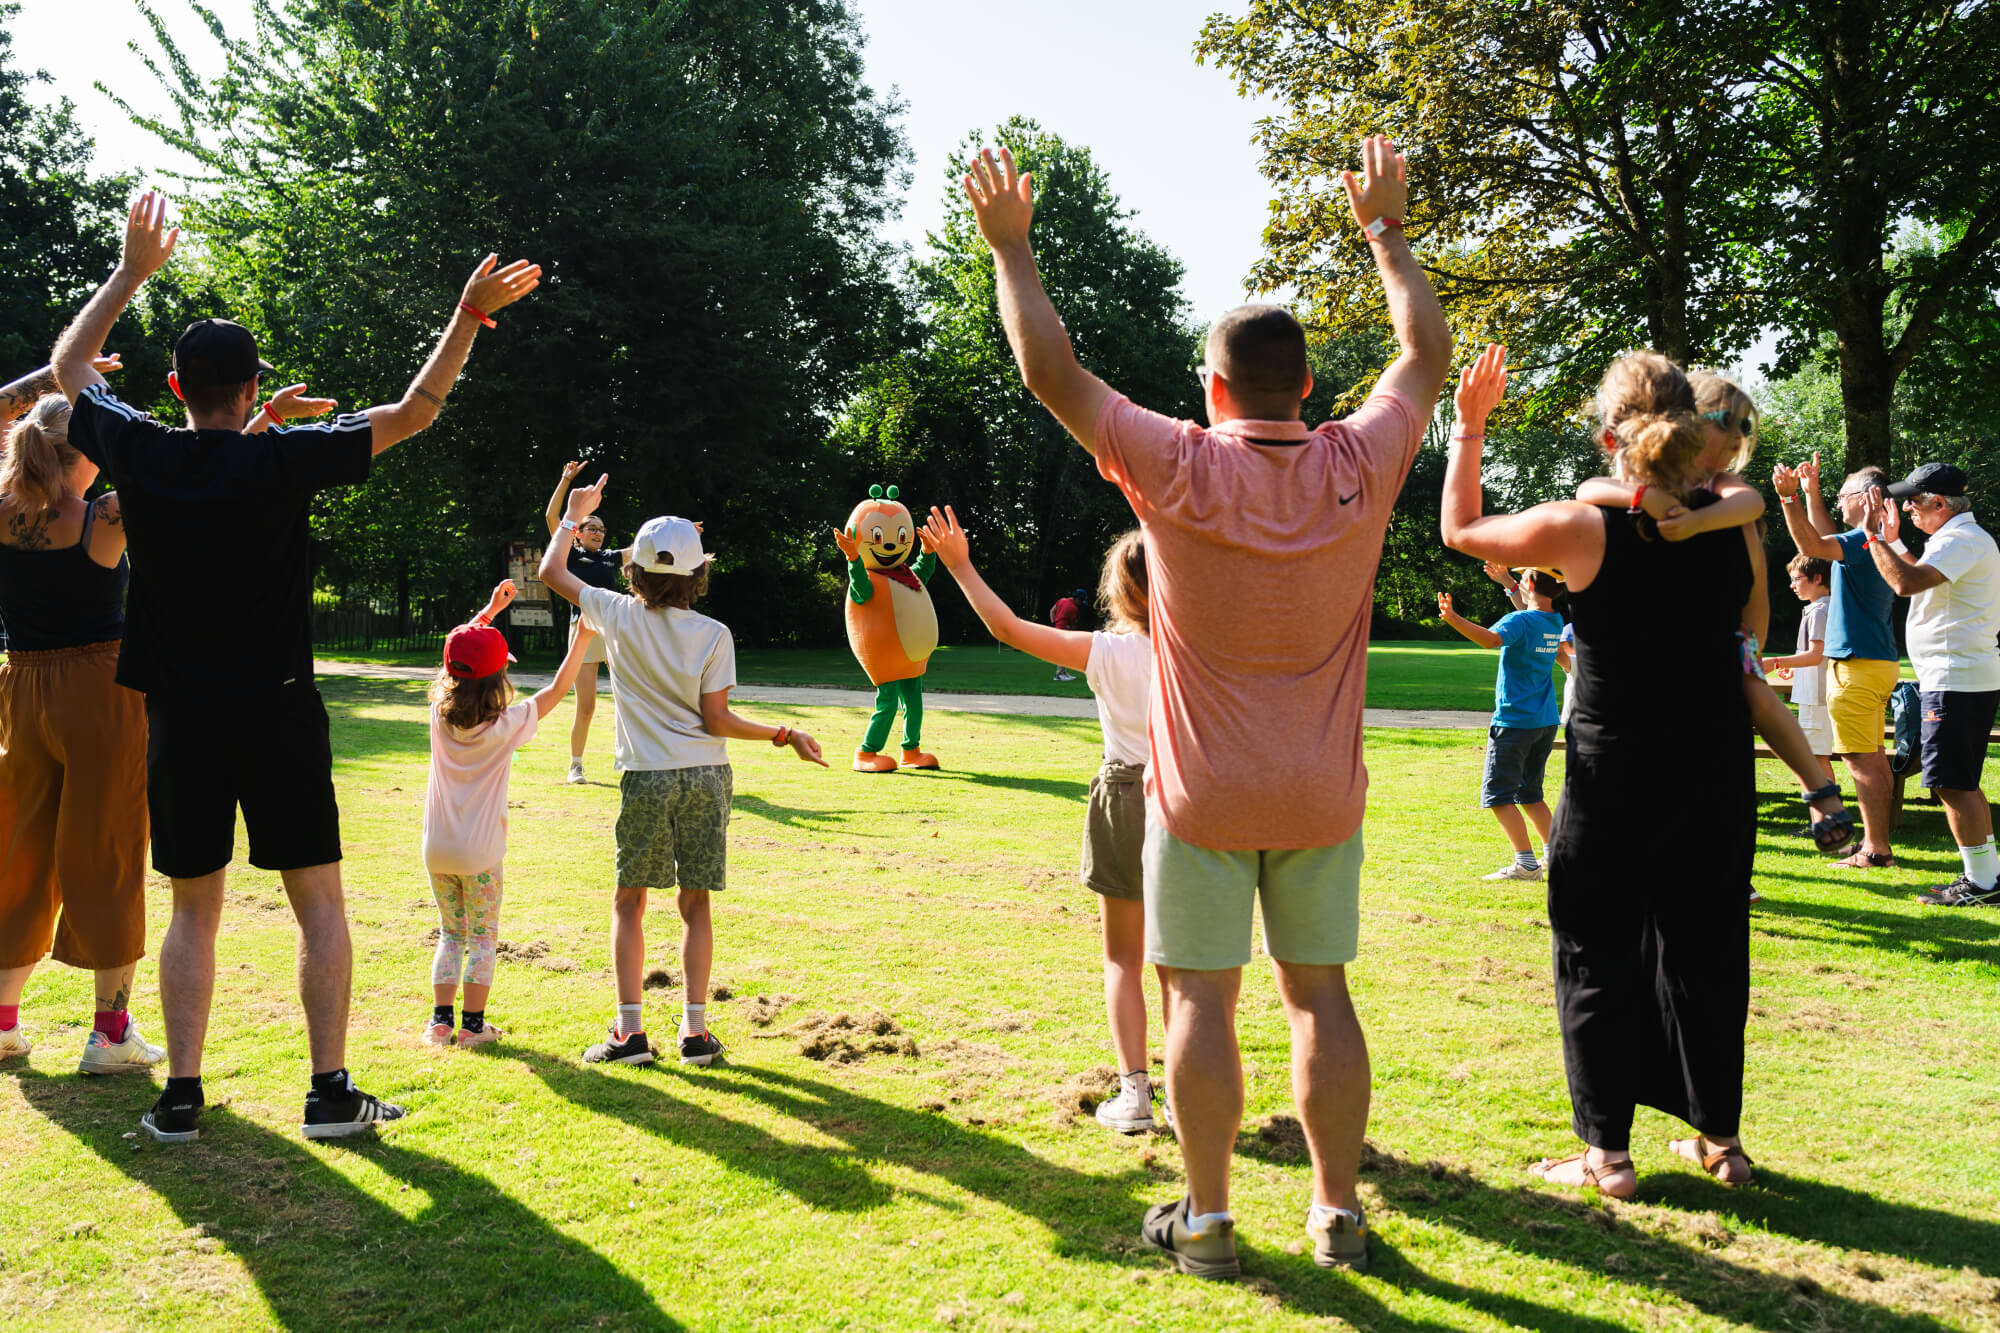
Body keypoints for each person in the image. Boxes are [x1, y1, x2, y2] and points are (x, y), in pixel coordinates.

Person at [964, 134, 1453, 1276]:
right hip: (1321, 794)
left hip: (1201, 797)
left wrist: (1011, 250)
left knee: (1200, 999)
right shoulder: (1358, 461)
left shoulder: (1179, 464)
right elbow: (1425, 354)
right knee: (1319, 997)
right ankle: (1336, 1212)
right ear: (1307, 388)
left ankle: (1210, 1218)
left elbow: (1051, 375)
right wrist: (1384, 230)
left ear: (1213, 388)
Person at [51, 189, 542, 1142]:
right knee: (318, 904)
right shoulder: (282, 462)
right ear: (248, 393)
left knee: (194, 911)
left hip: (180, 719)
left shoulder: (143, 453)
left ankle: (180, 1099)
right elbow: (415, 411)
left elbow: (70, 369)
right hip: (277, 712)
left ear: (180, 390)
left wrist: (130, 271)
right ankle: (327, 1094)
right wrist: (468, 316)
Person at [1443, 346, 1759, 1196]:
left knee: (1594, 947)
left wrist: (1469, 426)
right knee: (1708, 947)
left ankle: (1607, 1156)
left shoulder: (1580, 526)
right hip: (1716, 761)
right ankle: (1720, 1141)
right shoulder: (1731, 519)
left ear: (1607, 435)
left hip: (1615, 765)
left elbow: (1460, 531)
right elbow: (1753, 626)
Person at [539, 477, 827, 1069]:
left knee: (629, 903)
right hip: (705, 776)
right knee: (696, 905)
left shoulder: (614, 613)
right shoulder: (714, 634)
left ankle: (630, 1034)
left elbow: (551, 572)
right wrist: (784, 733)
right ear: (698, 576)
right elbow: (717, 720)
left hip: (646, 775)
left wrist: (573, 516)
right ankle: (695, 1035)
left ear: (634, 573)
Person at [922, 506, 1160, 1132]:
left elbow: (1006, 625)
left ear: (1118, 591)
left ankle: (1136, 1096)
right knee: (1181, 967)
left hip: (1126, 797)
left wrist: (961, 566)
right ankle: (1195, 1094)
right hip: (1188, 801)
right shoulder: (1201, 651)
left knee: (1123, 961)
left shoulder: (1106, 653)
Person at [1577, 374, 1855, 853]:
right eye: (1726, 421)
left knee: (1755, 691)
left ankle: (1818, 789)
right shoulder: (1642, 476)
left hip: (1725, 634)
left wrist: (1696, 521)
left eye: (1745, 429)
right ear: (1684, 422)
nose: (1736, 438)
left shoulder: (1722, 486)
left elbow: (1750, 502)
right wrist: (1647, 498)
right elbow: (1589, 489)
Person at [0, 379, 164, 1074]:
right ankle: (110, 1032)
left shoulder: (3, 511)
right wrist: (267, 420)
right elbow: (195, 469)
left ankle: (3, 1022)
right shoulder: (102, 516)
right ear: (87, 448)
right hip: (101, 689)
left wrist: (41, 383)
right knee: (110, 850)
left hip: (22, 686)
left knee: (21, 851)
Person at [421, 579, 599, 1048]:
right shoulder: (506, 725)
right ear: (500, 679)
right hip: (479, 854)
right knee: (481, 937)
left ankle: (440, 1024)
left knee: (450, 932)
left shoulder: (439, 714)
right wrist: (581, 637)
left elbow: (457, 653)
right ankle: (474, 1029)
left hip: (436, 849)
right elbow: (560, 687)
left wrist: (488, 613)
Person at [1860, 464, 2000, 906]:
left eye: (1913, 501)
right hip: (1956, 677)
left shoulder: (1961, 540)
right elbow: (1921, 573)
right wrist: (1896, 538)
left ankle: (1983, 885)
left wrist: (1873, 537)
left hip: (1955, 679)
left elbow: (1906, 582)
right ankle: (1985, 878)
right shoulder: (1955, 539)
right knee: (1958, 781)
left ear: (1940, 504)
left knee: (1953, 783)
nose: (1905, 507)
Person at [1773, 452, 1901, 868]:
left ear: (1866, 498)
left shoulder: (1863, 541)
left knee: (1860, 760)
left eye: (1844, 495)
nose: (1840, 501)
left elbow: (1812, 545)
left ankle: (1876, 850)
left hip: (1857, 665)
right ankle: (1876, 844)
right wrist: (1813, 494)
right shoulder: (1872, 540)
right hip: (1878, 661)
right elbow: (1826, 542)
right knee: (1872, 755)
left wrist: (1790, 500)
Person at [1436, 571, 1564, 881]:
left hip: (1514, 722)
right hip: (1544, 721)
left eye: (1524, 575)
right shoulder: (1554, 621)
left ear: (1530, 584)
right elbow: (1528, 610)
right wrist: (1508, 582)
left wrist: (1452, 618)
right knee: (1531, 794)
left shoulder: (1519, 622)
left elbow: (1492, 640)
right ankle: (1556, 859)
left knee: (1498, 796)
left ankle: (1526, 865)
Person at [545, 460, 621, 782]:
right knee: (586, 706)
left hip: (615, 629)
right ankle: (576, 765)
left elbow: (643, 551)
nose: (599, 534)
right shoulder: (571, 554)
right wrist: (565, 480)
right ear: (577, 533)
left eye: (602, 530)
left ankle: (630, 759)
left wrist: (680, 536)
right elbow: (552, 517)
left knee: (629, 700)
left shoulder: (610, 557)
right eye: (593, 528)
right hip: (584, 631)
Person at [1762, 555, 1836, 805]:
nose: (1792, 585)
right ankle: (1827, 814)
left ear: (1817, 579)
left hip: (1817, 699)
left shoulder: (1820, 610)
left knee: (1816, 758)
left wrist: (1776, 662)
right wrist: (1795, 669)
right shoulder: (1821, 607)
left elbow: (1816, 655)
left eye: (1796, 579)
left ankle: (1828, 816)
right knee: (1815, 757)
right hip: (1814, 696)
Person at [1049, 586, 1086, 680]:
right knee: (1064, 652)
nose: (1081, 603)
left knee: (1065, 652)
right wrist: (1074, 634)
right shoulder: (1073, 608)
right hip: (1064, 631)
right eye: (1081, 601)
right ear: (1077, 598)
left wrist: (1053, 623)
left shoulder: (1061, 600)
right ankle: (1059, 675)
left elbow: (1052, 611)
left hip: (1056, 629)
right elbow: (1073, 623)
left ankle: (1063, 672)